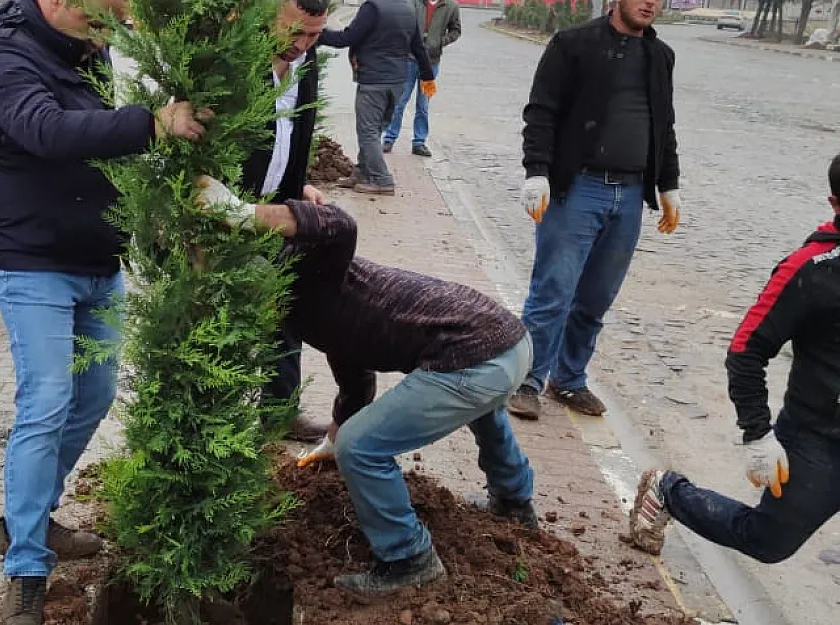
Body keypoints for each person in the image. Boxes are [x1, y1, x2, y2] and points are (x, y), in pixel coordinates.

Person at [0, 0, 208, 622]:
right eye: (110, 12)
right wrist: (150, 123)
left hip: (98, 261)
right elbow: (45, 130)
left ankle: (31, 515)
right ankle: (24, 570)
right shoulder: (3, 54)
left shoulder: (87, 46)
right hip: (31, 263)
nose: (117, 25)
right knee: (45, 401)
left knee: (93, 394)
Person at [195, 176, 538, 598]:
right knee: (475, 403)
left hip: (477, 356)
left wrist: (241, 213)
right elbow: (356, 378)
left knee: (360, 448)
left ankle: (408, 557)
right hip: (510, 344)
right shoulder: (318, 307)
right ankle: (514, 501)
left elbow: (340, 223)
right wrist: (333, 434)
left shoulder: (303, 275)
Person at [629, 155, 840, 564]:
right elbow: (746, 349)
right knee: (766, 540)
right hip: (818, 438)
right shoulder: (809, 269)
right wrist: (758, 435)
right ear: (835, 204)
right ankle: (668, 491)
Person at [507, 0, 683, 421]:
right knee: (553, 292)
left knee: (596, 298)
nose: (650, 4)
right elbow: (541, 113)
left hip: (631, 194)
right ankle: (527, 381)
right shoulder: (573, 45)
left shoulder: (660, 56)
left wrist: (668, 185)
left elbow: (664, 124)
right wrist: (537, 172)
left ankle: (569, 380)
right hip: (577, 189)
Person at [244, 0, 331, 443]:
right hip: (226, 213)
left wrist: (300, 185)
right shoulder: (237, 56)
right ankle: (216, 420)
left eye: (314, 35)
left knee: (287, 307)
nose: (302, 45)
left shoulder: (306, 59)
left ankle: (279, 412)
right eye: (295, 32)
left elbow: (298, 128)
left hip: (277, 211)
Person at [318, 0, 436, 195]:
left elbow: (348, 37)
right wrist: (428, 76)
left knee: (368, 132)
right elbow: (418, 46)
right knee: (376, 129)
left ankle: (382, 179)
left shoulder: (373, 7)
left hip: (374, 80)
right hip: (398, 81)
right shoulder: (408, 7)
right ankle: (363, 172)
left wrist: (316, 34)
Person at [381, 0, 460, 158]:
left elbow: (456, 31)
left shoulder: (451, 6)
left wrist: (439, 42)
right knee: (399, 101)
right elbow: (402, 22)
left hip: (431, 63)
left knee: (423, 104)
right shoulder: (413, 3)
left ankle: (419, 142)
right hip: (409, 59)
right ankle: (389, 138)